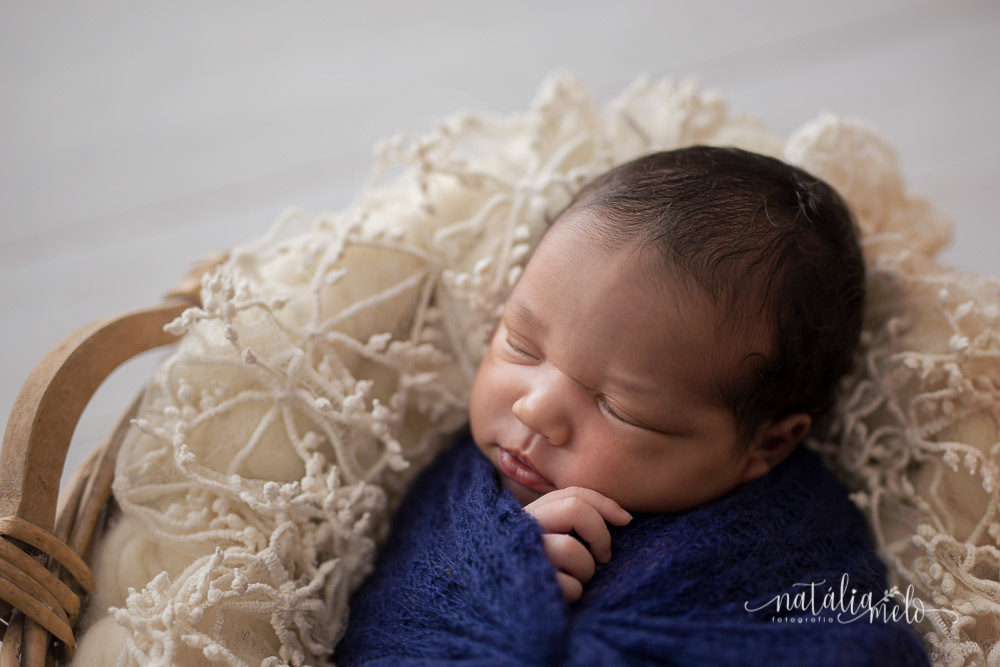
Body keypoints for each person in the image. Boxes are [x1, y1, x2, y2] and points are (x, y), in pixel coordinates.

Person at [334, 147, 931, 665]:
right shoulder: (456, 489)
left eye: (621, 408)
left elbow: (863, 647)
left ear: (766, 444)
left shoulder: (795, 541)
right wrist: (498, 576)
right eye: (520, 345)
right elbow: (389, 623)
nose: (535, 410)